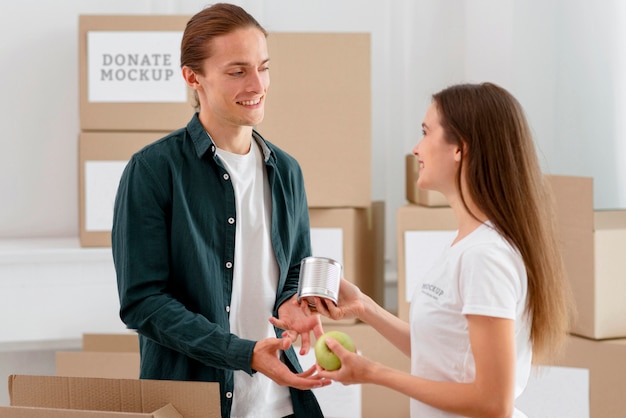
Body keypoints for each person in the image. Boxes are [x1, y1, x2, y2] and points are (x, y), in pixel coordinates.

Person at [299, 82, 574, 417]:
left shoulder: (485, 257)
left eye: (426, 132)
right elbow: (441, 356)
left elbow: (493, 402)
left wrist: (373, 373)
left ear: (460, 147)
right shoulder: (467, 244)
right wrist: (364, 307)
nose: (416, 149)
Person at [111, 4, 328, 418]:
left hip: (279, 403)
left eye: (263, 67)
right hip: (193, 404)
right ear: (193, 77)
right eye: (237, 71)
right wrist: (241, 353)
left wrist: (290, 302)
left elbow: (294, 268)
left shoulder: (287, 171)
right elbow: (143, 302)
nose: (257, 83)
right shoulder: (154, 170)